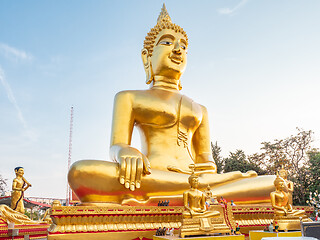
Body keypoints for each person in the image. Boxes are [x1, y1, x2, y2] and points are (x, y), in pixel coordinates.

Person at [68, 4, 274, 205]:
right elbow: (116, 145)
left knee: (276, 184)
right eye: (167, 43)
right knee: (81, 172)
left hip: (196, 179)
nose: (178, 49)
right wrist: (124, 152)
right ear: (146, 56)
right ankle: (205, 197)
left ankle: (183, 196)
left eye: (183, 46)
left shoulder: (200, 109)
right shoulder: (128, 97)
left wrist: (211, 175)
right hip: (150, 175)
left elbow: (205, 161)